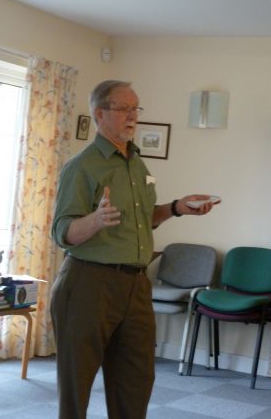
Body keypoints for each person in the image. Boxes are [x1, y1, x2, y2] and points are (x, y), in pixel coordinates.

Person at [50, 80, 218, 419]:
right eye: (124, 108)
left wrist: (175, 208)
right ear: (100, 114)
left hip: (137, 286)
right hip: (88, 284)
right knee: (76, 383)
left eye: (136, 108)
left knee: (136, 378)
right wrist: (95, 221)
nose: (133, 116)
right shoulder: (82, 166)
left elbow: (142, 220)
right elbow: (61, 231)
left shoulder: (136, 163)